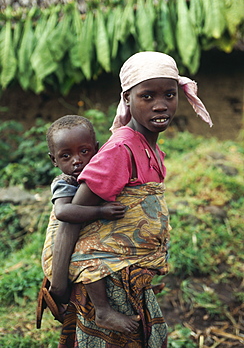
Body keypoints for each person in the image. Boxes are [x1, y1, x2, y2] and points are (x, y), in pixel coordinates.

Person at [54, 51, 212, 348]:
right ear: (127, 99)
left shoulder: (149, 149)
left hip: (131, 280)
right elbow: (70, 219)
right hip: (107, 285)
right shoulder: (120, 151)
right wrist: (58, 286)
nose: (161, 105)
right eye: (147, 96)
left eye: (169, 94)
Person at [40, 115, 131, 330]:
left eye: (84, 151)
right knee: (87, 257)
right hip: (64, 247)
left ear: (97, 149)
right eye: (66, 155)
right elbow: (63, 211)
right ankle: (102, 311)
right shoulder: (64, 182)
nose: (76, 160)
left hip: (87, 233)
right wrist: (100, 211)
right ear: (54, 160)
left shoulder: (94, 175)